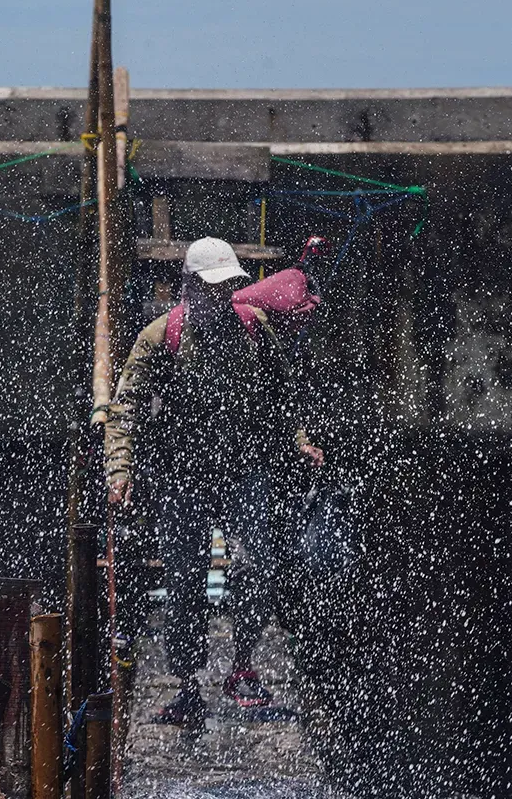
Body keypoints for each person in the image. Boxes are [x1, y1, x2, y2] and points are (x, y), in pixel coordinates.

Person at [105, 236, 324, 726]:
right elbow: (124, 410)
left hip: (242, 469)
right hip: (183, 477)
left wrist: (298, 438)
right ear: (189, 287)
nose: (220, 298)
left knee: (258, 564)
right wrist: (120, 471)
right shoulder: (161, 336)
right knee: (184, 582)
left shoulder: (252, 325)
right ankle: (187, 686)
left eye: (228, 288)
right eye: (210, 289)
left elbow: (281, 389)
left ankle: (243, 665)